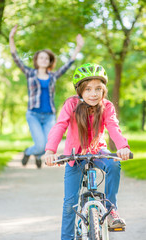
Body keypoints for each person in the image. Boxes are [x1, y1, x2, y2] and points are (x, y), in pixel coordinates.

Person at [44, 63, 131, 239]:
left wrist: (123, 147)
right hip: (74, 155)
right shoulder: (71, 104)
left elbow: (113, 127)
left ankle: (110, 208)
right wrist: (50, 151)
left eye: (98, 88)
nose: (94, 93)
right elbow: (60, 126)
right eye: (89, 89)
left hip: (98, 151)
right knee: (70, 204)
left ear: (104, 90)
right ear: (80, 91)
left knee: (114, 164)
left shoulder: (106, 106)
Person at [9, 25, 84, 168]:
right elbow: (16, 57)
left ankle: (36, 154)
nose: (43, 60)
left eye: (46, 58)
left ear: (50, 61)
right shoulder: (30, 73)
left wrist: (78, 47)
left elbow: (68, 64)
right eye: (41, 57)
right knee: (40, 145)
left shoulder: (53, 76)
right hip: (34, 115)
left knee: (47, 146)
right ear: (36, 60)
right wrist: (11, 38)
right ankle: (29, 152)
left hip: (49, 115)